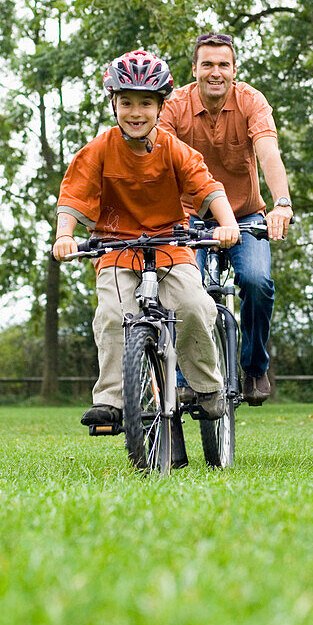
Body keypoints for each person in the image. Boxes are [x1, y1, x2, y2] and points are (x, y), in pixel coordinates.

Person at [53, 49, 240, 427]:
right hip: (116, 249)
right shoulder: (100, 149)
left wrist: (227, 223)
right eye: (127, 103)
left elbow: (207, 187)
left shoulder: (173, 148)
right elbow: (72, 196)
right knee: (111, 316)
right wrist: (65, 236)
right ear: (113, 104)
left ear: (160, 106)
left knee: (193, 306)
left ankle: (207, 388)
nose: (135, 112)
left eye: (145, 103)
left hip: (171, 244)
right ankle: (111, 402)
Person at [159, 32, 293, 405]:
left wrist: (281, 203)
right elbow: (159, 161)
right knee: (188, 289)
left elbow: (268, 152)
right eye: (207, 65)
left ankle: (253, 367)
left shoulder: (251, 101)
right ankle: (187, 377)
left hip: (246, 214)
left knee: (256, 280)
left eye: (223, 65)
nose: (215, 72)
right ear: (194, 69)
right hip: (190, 216)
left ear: (234, 70)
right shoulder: (174, 105)